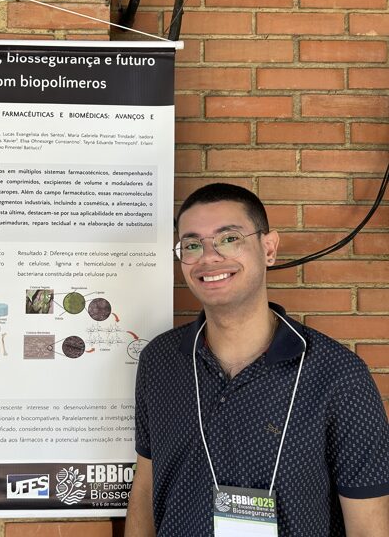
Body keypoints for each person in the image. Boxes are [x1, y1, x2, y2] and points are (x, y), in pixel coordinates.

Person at [125, 183, 389, 537]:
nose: (209, 257)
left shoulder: (339, 375)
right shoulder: (159, 361)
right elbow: (145, 487)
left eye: (229, 239)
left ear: (269, 248)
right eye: (192, 245)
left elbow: (369, 526)